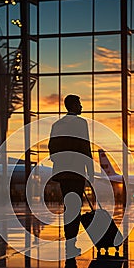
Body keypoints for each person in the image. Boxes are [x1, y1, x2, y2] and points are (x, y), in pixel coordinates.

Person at [48, 95, 94, 257]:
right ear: (73, 105)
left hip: (62, 172)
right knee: (75, 207)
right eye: (79, 104)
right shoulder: (81, 123)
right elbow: (85, 145)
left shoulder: (57, 124)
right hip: (76, 171)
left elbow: (51, 146)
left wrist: (58, 160)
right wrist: (90, 170)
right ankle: (71, 243)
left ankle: (70, 240)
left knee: (69, 206)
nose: (81, 106)